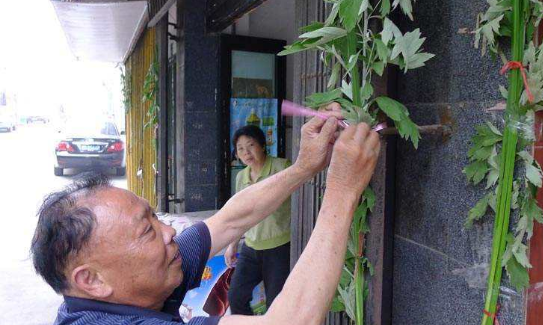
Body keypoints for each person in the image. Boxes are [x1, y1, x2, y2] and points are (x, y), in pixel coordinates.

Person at [30, 110, 381, 325]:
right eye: (146, 231)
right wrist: (343, 188)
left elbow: (228, 221)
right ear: (91, 280)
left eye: (155, 218)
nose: (168, 230)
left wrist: (305, 166)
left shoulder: (132, 282)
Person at [225, 125, 291, 315]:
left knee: (276, 304)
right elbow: (239, 213)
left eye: (251, 145)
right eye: (240, 148)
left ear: (262, 145)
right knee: (236, 297)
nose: (246, 152)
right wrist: (233, 244)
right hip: (251, 248)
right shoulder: (241, 177)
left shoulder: (281, 167)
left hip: (279, 248)